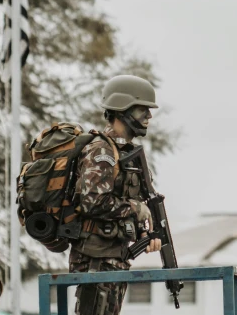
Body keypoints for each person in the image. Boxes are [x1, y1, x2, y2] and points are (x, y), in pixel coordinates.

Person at [69, 74, 164, 315]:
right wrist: (136, 208)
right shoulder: (101, 151)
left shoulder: (128, 155)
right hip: (95, 261)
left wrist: (145, 233)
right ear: (123, 109)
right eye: (143, 110)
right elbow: (92, 202)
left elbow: (128, 206)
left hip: (114, 259)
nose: (149, 117)